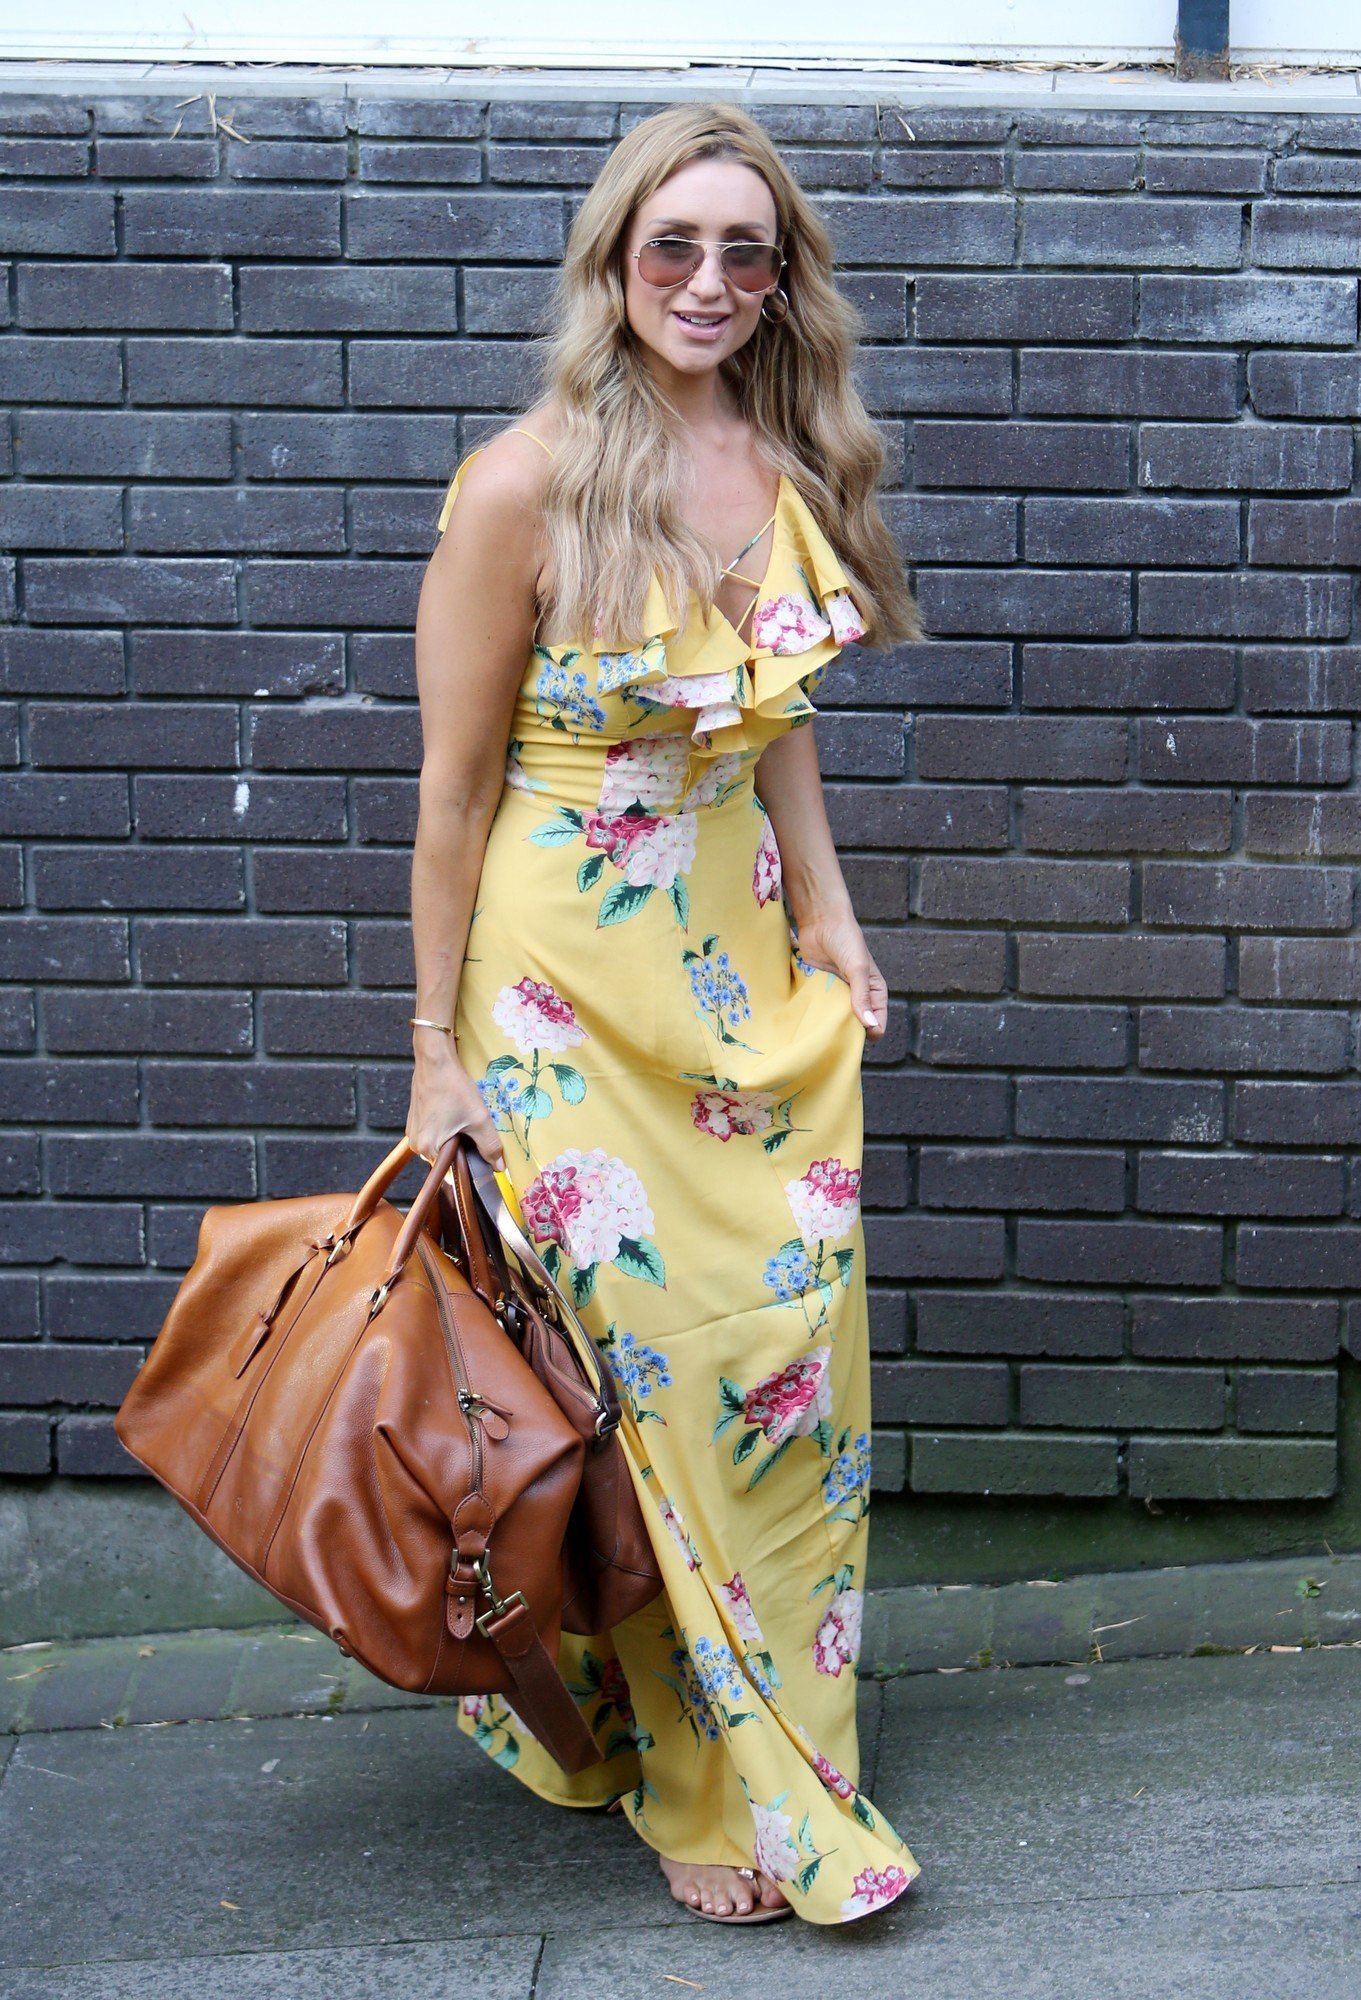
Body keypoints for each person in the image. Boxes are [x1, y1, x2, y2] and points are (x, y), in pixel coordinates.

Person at [407, 99, 924, 1928]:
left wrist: (840, 931)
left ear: (783, 285)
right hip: (561, 995)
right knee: (647, 1390)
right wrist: (436, 1055)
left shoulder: (783, 468)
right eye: (672, 248)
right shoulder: (519, 484)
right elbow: (452, 797)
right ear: (613, 265)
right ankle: (705, 1787)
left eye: (744, 252)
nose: (708, 282)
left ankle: (760, 1724)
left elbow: (775, 738)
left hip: (743, 977)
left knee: (785, 1375)